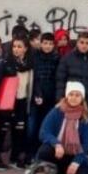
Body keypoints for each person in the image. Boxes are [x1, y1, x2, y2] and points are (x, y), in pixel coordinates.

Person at [37, 81, 88, 174]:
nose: (74, 98)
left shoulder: (86, 118)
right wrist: (56, 143)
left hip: (74, 155)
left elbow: (86, 145)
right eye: (71, 94)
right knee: (44, 150)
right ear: (66, 96)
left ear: (82, 98)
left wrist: (76, 162)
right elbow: (44, 132)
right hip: (59, 153)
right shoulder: (56, 112)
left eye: (77, 95)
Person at [55, 31, 88, 152]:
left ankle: (82, 152)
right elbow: (60, 79)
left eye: (87, 43)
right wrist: (61, 97)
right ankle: (68, 150)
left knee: (85, 128)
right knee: (69, 127)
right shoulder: (67, 58)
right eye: (81, 42)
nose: (84, 45)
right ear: (77, 43)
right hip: (70, 101)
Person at [0, 38, 33, 169]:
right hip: (7, 101)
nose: (16, 49)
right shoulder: (5, 63)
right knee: (3, 130)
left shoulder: (30, 64)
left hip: (22, 100)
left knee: (19, 130)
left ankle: (15, 159)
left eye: (19, 46)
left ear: (26, 48)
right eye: (14, 46)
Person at [30, 33, 60, 161]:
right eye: (45, 43)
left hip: (51, 97)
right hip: (36, 96)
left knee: (46, 127)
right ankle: (31, 154)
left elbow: (58, 78)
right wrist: (37, 93)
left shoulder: (58, 58)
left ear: (54, 45)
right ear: (41, 43)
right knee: (32, 127)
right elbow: (34, 78)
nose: (47, 46)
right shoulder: (34, 57)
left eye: (50, 44)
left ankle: (43, 155)